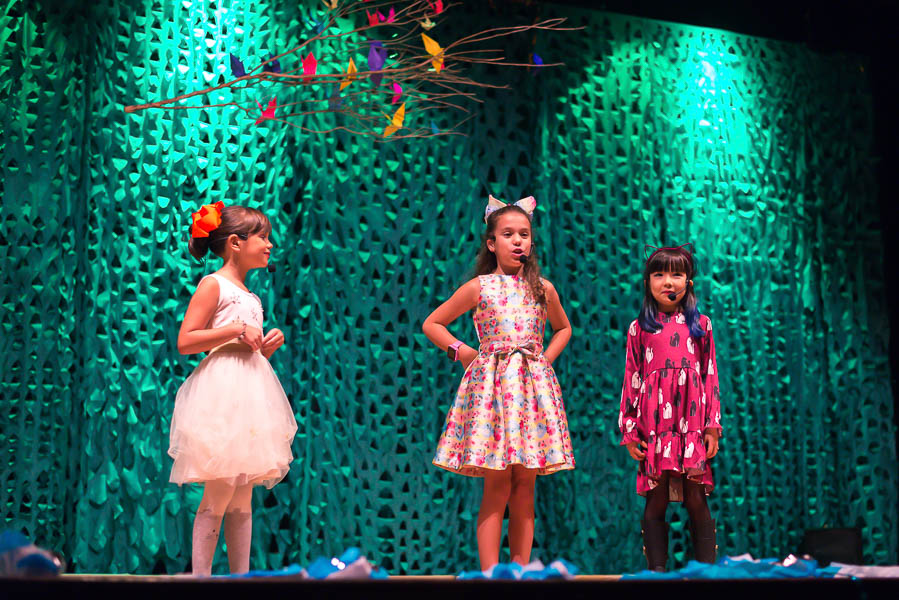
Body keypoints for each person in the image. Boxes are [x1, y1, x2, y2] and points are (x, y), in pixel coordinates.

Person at [423, 195, 575, 570]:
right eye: (508, 234)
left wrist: (544, 360)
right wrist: (462, 352)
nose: (517, 241)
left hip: (530, 394)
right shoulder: (480, 287)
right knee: (497, 485)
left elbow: (564, 328)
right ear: (491, 243)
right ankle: (491, 574)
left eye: (524, 234)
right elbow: (433, 323)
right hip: (493, 393)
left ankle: (520, 572)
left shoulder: (543, 289)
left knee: (525, 487)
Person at [168, 202, 297, 575]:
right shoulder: (214, 284)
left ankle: (242, 578)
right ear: (236, 243)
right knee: (219, 494)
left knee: (242, 499)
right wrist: (236, 330)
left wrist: (264, 347)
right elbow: (186, 340)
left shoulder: (251, 296)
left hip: (250, 396)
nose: (269, 245)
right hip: (224, 396)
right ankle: (201, 578)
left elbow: (242, 346)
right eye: (263, 237)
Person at [618, 244, 721, 571]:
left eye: (676, 274)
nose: (668, 282)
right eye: (659, 274)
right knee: (656, 497)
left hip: (691, 425)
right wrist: (630, 430)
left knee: (695, 497)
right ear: (647, 282)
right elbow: (632, 378)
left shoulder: (701, 324)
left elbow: (710, 375)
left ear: (688, 282)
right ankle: (656, 574)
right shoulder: (639, 328)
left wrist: (712, 426)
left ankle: (707, 572)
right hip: (655, 427)